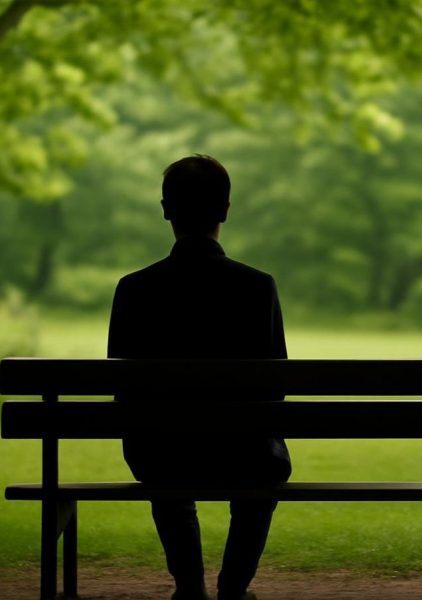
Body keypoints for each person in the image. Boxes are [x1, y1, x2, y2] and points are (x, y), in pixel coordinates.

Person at [108, 154, 291, 600]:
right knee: (265, 468)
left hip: (162, 454)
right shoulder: (257, 287)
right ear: (225, 210)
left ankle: (189, 585)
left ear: (166, 210)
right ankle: (234, 587)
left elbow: (122, 388)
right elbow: (276, 387)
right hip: (243, 454)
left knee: (159, 453)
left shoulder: (134, 289)